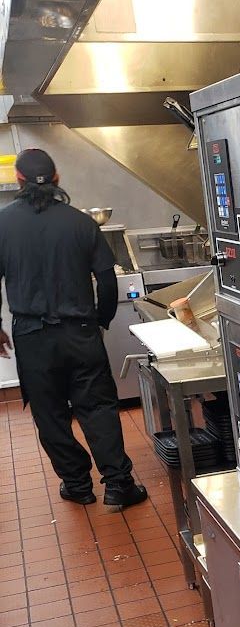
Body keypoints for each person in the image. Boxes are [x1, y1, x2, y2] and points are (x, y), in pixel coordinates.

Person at [0, 148, 147, 510]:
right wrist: (101, 320)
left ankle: (77, 484)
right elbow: (107, 279)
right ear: (57, 179)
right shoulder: (81, 223)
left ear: (18, 179)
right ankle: (118, 485)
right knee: (97, 408)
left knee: (49, 413)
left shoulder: (2, 224)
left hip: (32, 336)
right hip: (80, 332)